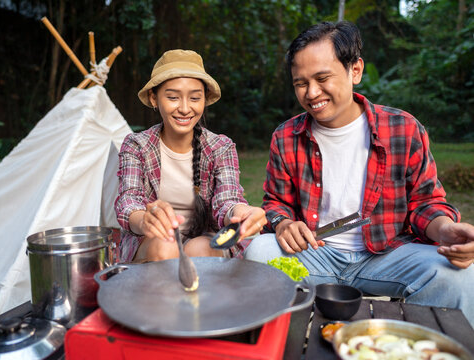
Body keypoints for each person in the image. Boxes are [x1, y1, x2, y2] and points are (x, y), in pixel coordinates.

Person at [244, 21, 474, 326]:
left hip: (388, 256)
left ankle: (411, 342)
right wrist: (284, 223)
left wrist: (445, 229)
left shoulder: (403, 129)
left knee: (460, 274)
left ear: (355, 71)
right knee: (259, 250)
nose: (312, 93)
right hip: (315, 254)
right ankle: (285, 337)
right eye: (301, 83)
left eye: (322, 78)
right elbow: (275, 203)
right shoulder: (286, 136)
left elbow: (425, 203)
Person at [115, 49, 266, 263]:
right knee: (166, 247)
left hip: (205, 240)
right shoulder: (136, 145)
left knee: (198, 250)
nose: (185, 109)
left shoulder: (221, 147)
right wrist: (145, 220)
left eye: (195, 98)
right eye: (173, 97)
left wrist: (242, 213)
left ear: (204, 100)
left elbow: (226, 200)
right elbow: (129, 201)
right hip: (152, 243)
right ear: (153, 98)